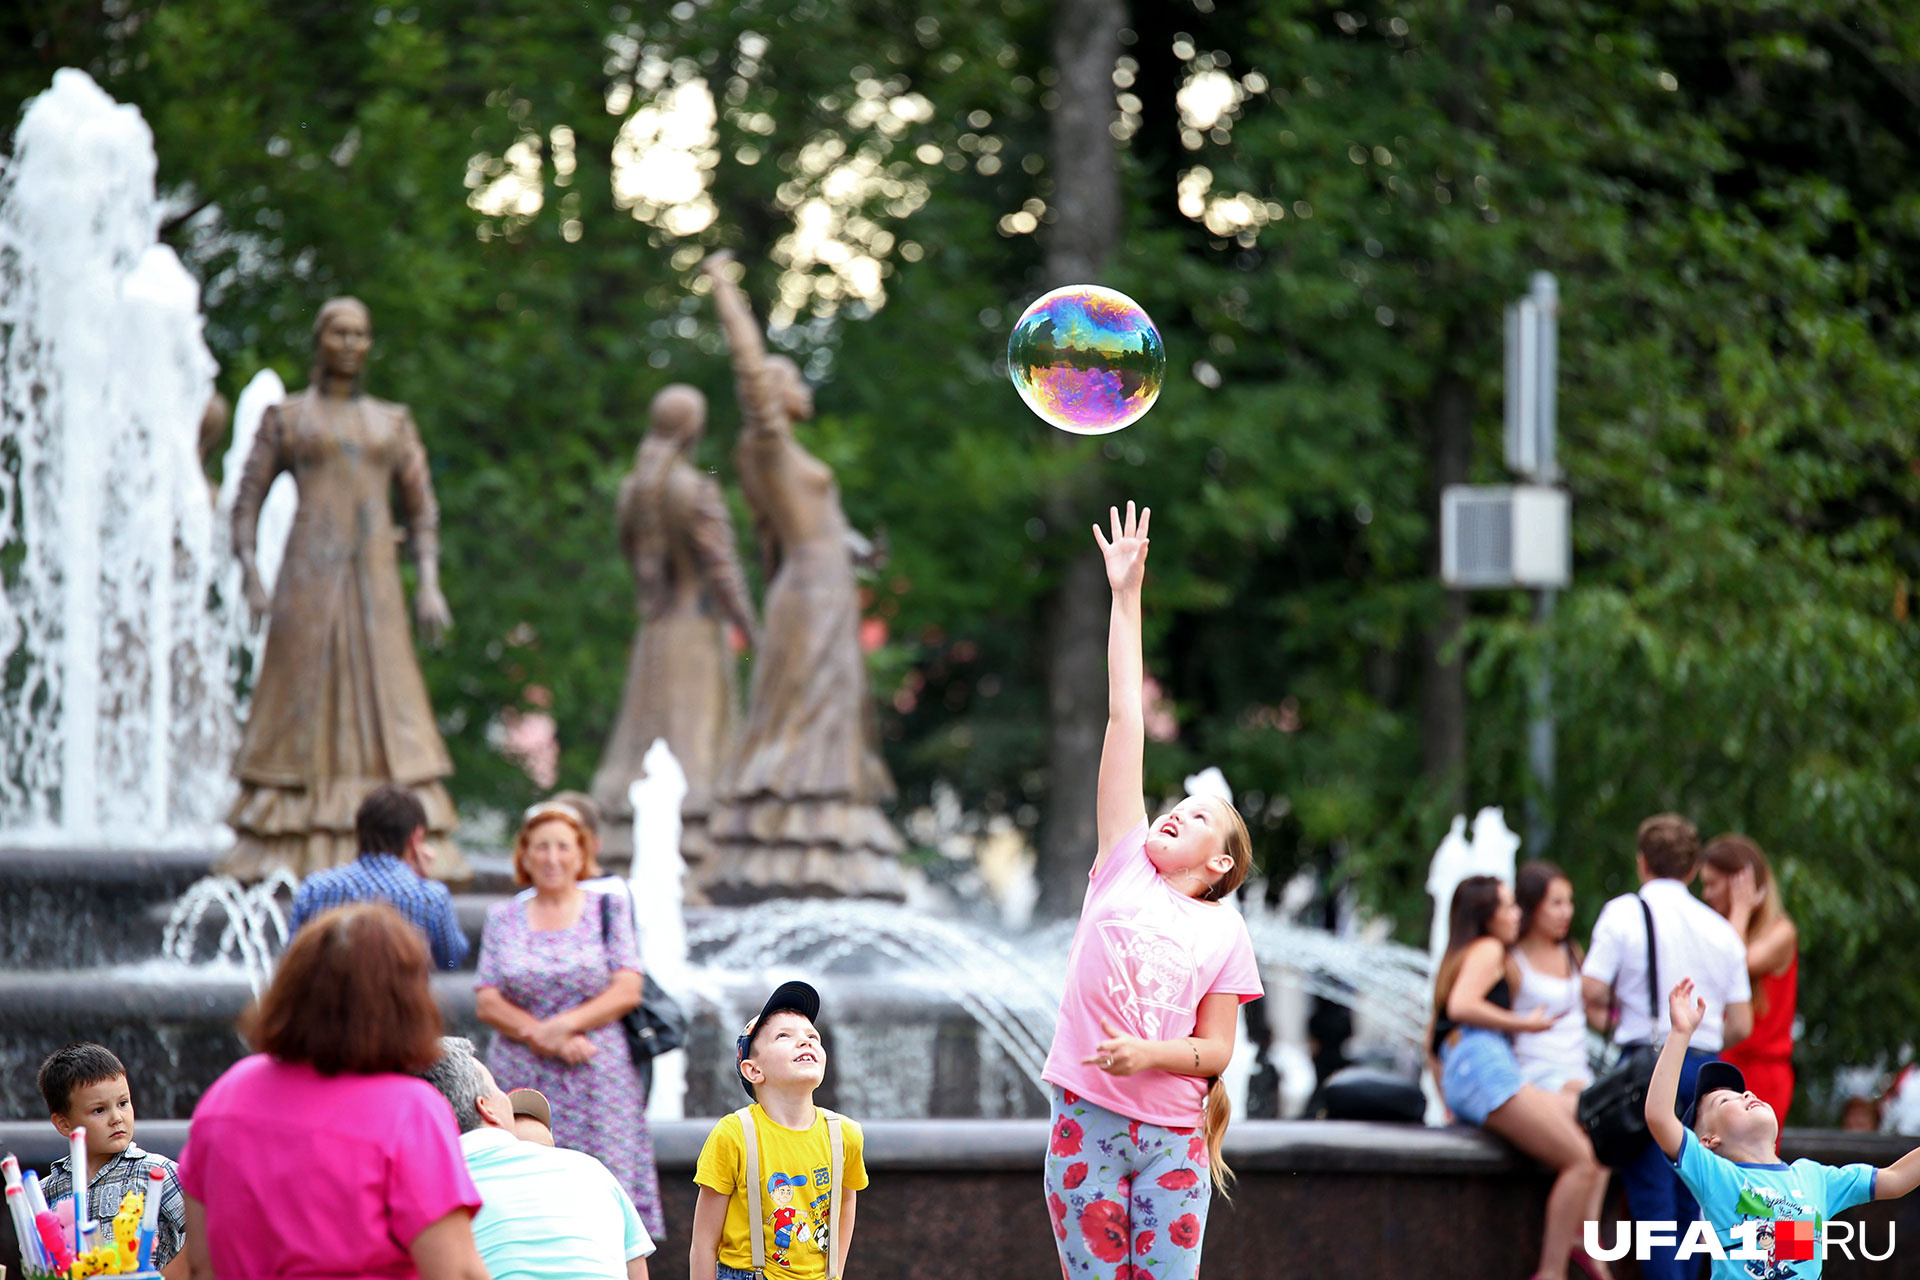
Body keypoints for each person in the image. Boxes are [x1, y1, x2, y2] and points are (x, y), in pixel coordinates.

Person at [1037, 503, 1264, 1280]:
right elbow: (1124, 715)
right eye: (1179, 805)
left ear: (1220, 865)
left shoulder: (1226, 934)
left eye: (1198, 816)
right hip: (1085, 1122)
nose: (1176, 811)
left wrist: (1148, 1054)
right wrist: (1125, 595)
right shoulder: (1124, 859)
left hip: (1174, 1137)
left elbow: (1217, 1051)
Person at [224, 294, 461, 881]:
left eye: (360, 334)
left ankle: (400, 835)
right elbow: (245, 504)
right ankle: (283, 839)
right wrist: (252, 578)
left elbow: (423, 510)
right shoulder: (288, 417)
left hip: (375, 579)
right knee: (296, 692)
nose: (350, 345)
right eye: (339, 333)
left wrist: (428, 583)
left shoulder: (392, 422)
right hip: (306, 576)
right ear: (320, 340)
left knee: (389, 694)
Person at [699, 252, 904, 901]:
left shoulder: (789, 456)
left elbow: (821, 523)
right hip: (810, 594)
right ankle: (788, 836)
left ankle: (817, 833)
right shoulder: (769, 444)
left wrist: (859, 552)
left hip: (827, 587)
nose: (802, 389)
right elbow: (750, 372)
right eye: (793, 381)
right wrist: (727, 289)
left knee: (829, 706)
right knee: (806, 707)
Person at [177, 904, 488, 1280]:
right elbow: (457, 1272)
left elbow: (201, 1266)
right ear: (405, 1003)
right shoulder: (409, 1111)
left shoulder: (226, 1095)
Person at [476, 800, 663, 1236]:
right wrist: (544, 1037)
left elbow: (627, 988)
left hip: (597, 1076)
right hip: (521, 1073)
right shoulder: (502, 917)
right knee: (521, 1189)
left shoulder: (606, 909)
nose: (552, 857)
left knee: (607, 1189)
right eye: (541, 847)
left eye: (563, 846)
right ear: (524, 855)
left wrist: (560, 1028)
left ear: (582, 855)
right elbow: (486, 999)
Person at [589, 384, 758, 867]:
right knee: (695, 748)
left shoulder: (633, 490)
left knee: (640, 746)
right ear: (693, 429)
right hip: (698, 635)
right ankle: (699, 853)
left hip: (656, 632)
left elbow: (634, 558)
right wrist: (753, 629)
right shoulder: (697, 489)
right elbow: (724, 570)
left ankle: (622, 843)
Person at [1648, 977, 1920, 1275]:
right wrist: (1680, 1034)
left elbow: (1895, 1179)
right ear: (1709, 1141)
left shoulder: (1815, 1178)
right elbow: (1660, 1117)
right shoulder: (1720, 1178)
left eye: (1743, 1092)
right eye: (1726, 1101)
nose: (1747, 1095)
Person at [1582, 814, 1753, 1280]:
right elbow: (1741, 1022)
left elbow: (1592, 989)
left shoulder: (1624, 912)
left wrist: (1616, 1014)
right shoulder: (1722, 932)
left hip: (1649, 1069)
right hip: (1709, 1075)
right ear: (1694, 869)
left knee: (1653, 1204)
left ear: (1642, 862)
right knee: (1696, 1202)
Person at [1431, 876, 1611, 1280]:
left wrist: (1450, 1097)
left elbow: (1434, 1039)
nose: (1517, 914)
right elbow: (1462, 1006)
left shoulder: (1460, 957)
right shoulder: (1490, 949)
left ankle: (1579, 1244)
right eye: (1509, 906)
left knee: (1591, 1121)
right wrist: (1523, 1025)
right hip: (1487, 1067)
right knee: (1581, 1160)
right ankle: (1551, 1270)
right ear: (1486, 914)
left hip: (1474, 1070)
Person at [418, 1036, 654, 1280]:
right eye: (499, 1091)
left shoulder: (427, 1193)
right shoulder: (590, 1170)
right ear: (486, 1108)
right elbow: (637, 1273)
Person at [691, 981, 868, 1280]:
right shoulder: (734, 1134)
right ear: (753, 1070)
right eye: (784, 1036)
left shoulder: (844, 1134)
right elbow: (704, 1244)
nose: (805, 1041)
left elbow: (846, 1200)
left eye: (813, 1036)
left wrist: (835, 1271)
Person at [36, 1042, 187, 1277]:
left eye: (123, 1103)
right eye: (99, 1110)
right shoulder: (46, 1190)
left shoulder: (157, 1172)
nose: (117, 1118)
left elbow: (208, 1230)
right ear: (64, 1123)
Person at [288, 784, 469, 969]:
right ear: (416, 837)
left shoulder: (315, 889)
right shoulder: (431, 898)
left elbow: (292, 958)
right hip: (399, 997)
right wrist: (421, 880)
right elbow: (451, 962)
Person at [1699, 833, 1799, 1124]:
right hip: (1724, 1062)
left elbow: (1735, 964)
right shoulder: (1720, 931)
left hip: (1762, 1071)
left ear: (1739, 882)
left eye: (1712, 884)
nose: (1706, 894)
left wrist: (1741, 909)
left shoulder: (1781, 932)